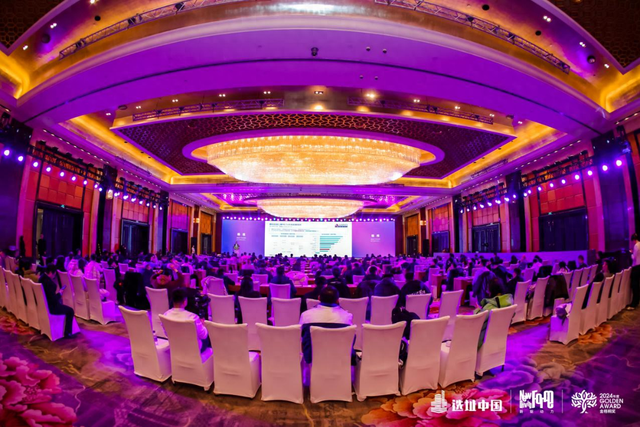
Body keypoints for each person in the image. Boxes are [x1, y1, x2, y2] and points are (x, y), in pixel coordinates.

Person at [475, 279, 514, 348]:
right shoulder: (509, 303)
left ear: (490, 291)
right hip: (500, 338)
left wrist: (477, 310)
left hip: (482, 340)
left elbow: (478, 322)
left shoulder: (490, 306)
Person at [40, 264, 75, 338]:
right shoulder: (50, 284)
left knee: (63, 306)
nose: (54, 276)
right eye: (54, 274)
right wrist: (60, 293)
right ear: (50, 272)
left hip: (43, 305)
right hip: (51, 307)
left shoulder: (41, 278)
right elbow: (53, 300)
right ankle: (68, 333)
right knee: (70, 311)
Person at [629, 233, 640, 310]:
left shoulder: (636, 245)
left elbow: (634, 257)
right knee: (637, 285)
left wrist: (631, 253)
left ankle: (634, 303)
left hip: (636, 267)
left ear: (634, 239)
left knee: (634, 285)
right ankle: (637, 301)